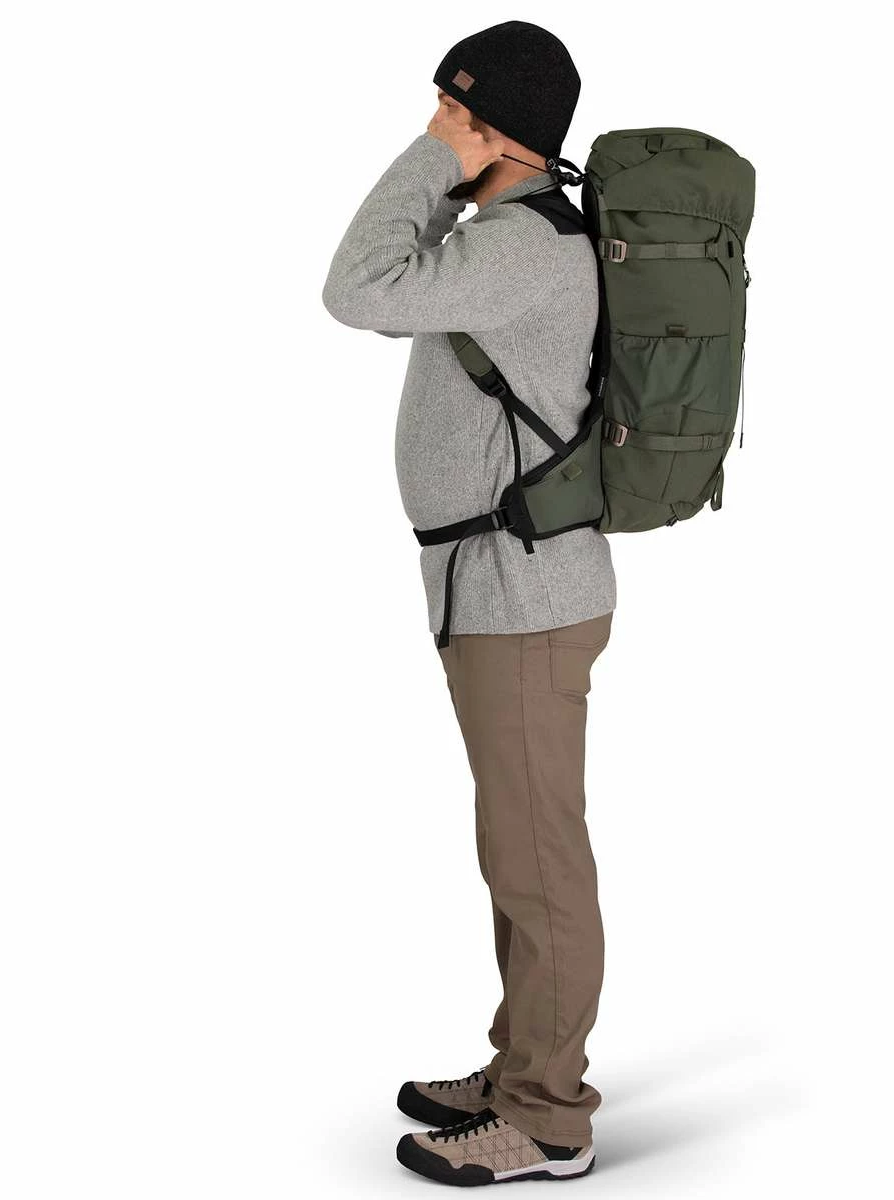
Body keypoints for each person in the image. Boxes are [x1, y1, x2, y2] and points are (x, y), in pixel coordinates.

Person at [323, 20, 614, 1186]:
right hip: (497, 589)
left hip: (522, 595)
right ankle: (519, 1066)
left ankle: (549, 1118)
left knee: (539, 857)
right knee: (516, 848)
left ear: (504, 131)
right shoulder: (506, 236)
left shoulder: (528, 246)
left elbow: (354, 289)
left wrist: (431, 161)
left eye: (457, 111)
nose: (436, 125)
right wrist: (459, 169)